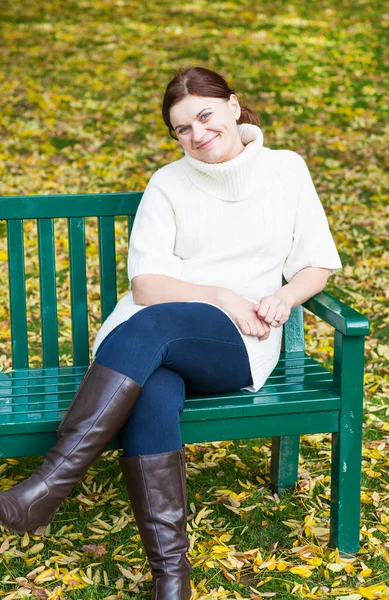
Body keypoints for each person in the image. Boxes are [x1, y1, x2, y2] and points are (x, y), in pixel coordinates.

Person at [0, 67, 342, 600]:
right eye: (182, 129)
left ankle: (49, 486)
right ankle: (172, 581)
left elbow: (316, 263)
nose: (197, 135)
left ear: (233, 106)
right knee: (153, 388)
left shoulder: (285, 170)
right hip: (150, 336)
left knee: (153, 329)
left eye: (205, 116)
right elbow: (147, 284)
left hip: (237, 341)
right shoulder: (169, 182)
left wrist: (283, 296)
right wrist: (221, 293)